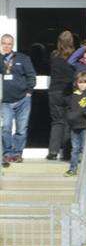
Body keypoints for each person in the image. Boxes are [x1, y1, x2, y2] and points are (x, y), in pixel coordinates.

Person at [1, 34, 37, 168]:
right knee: (6, 128)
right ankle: (7, 153)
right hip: (6, 101)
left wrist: (29, 92)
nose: (6, 46)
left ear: (13, 45)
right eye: (4, 43)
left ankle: (17, 153)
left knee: (21, 129)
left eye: (9, 44)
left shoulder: (23, 58)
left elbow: (31, 76)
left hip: (23, 99)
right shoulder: (0, 59)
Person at [47, 30, 78, 163]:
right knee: (68, 123)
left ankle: (53, 152)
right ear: (71, 42)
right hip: (69, 92)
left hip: (55, 92)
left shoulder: (54, 55)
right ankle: (66, 153)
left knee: (57, 122)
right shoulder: (75, 56)